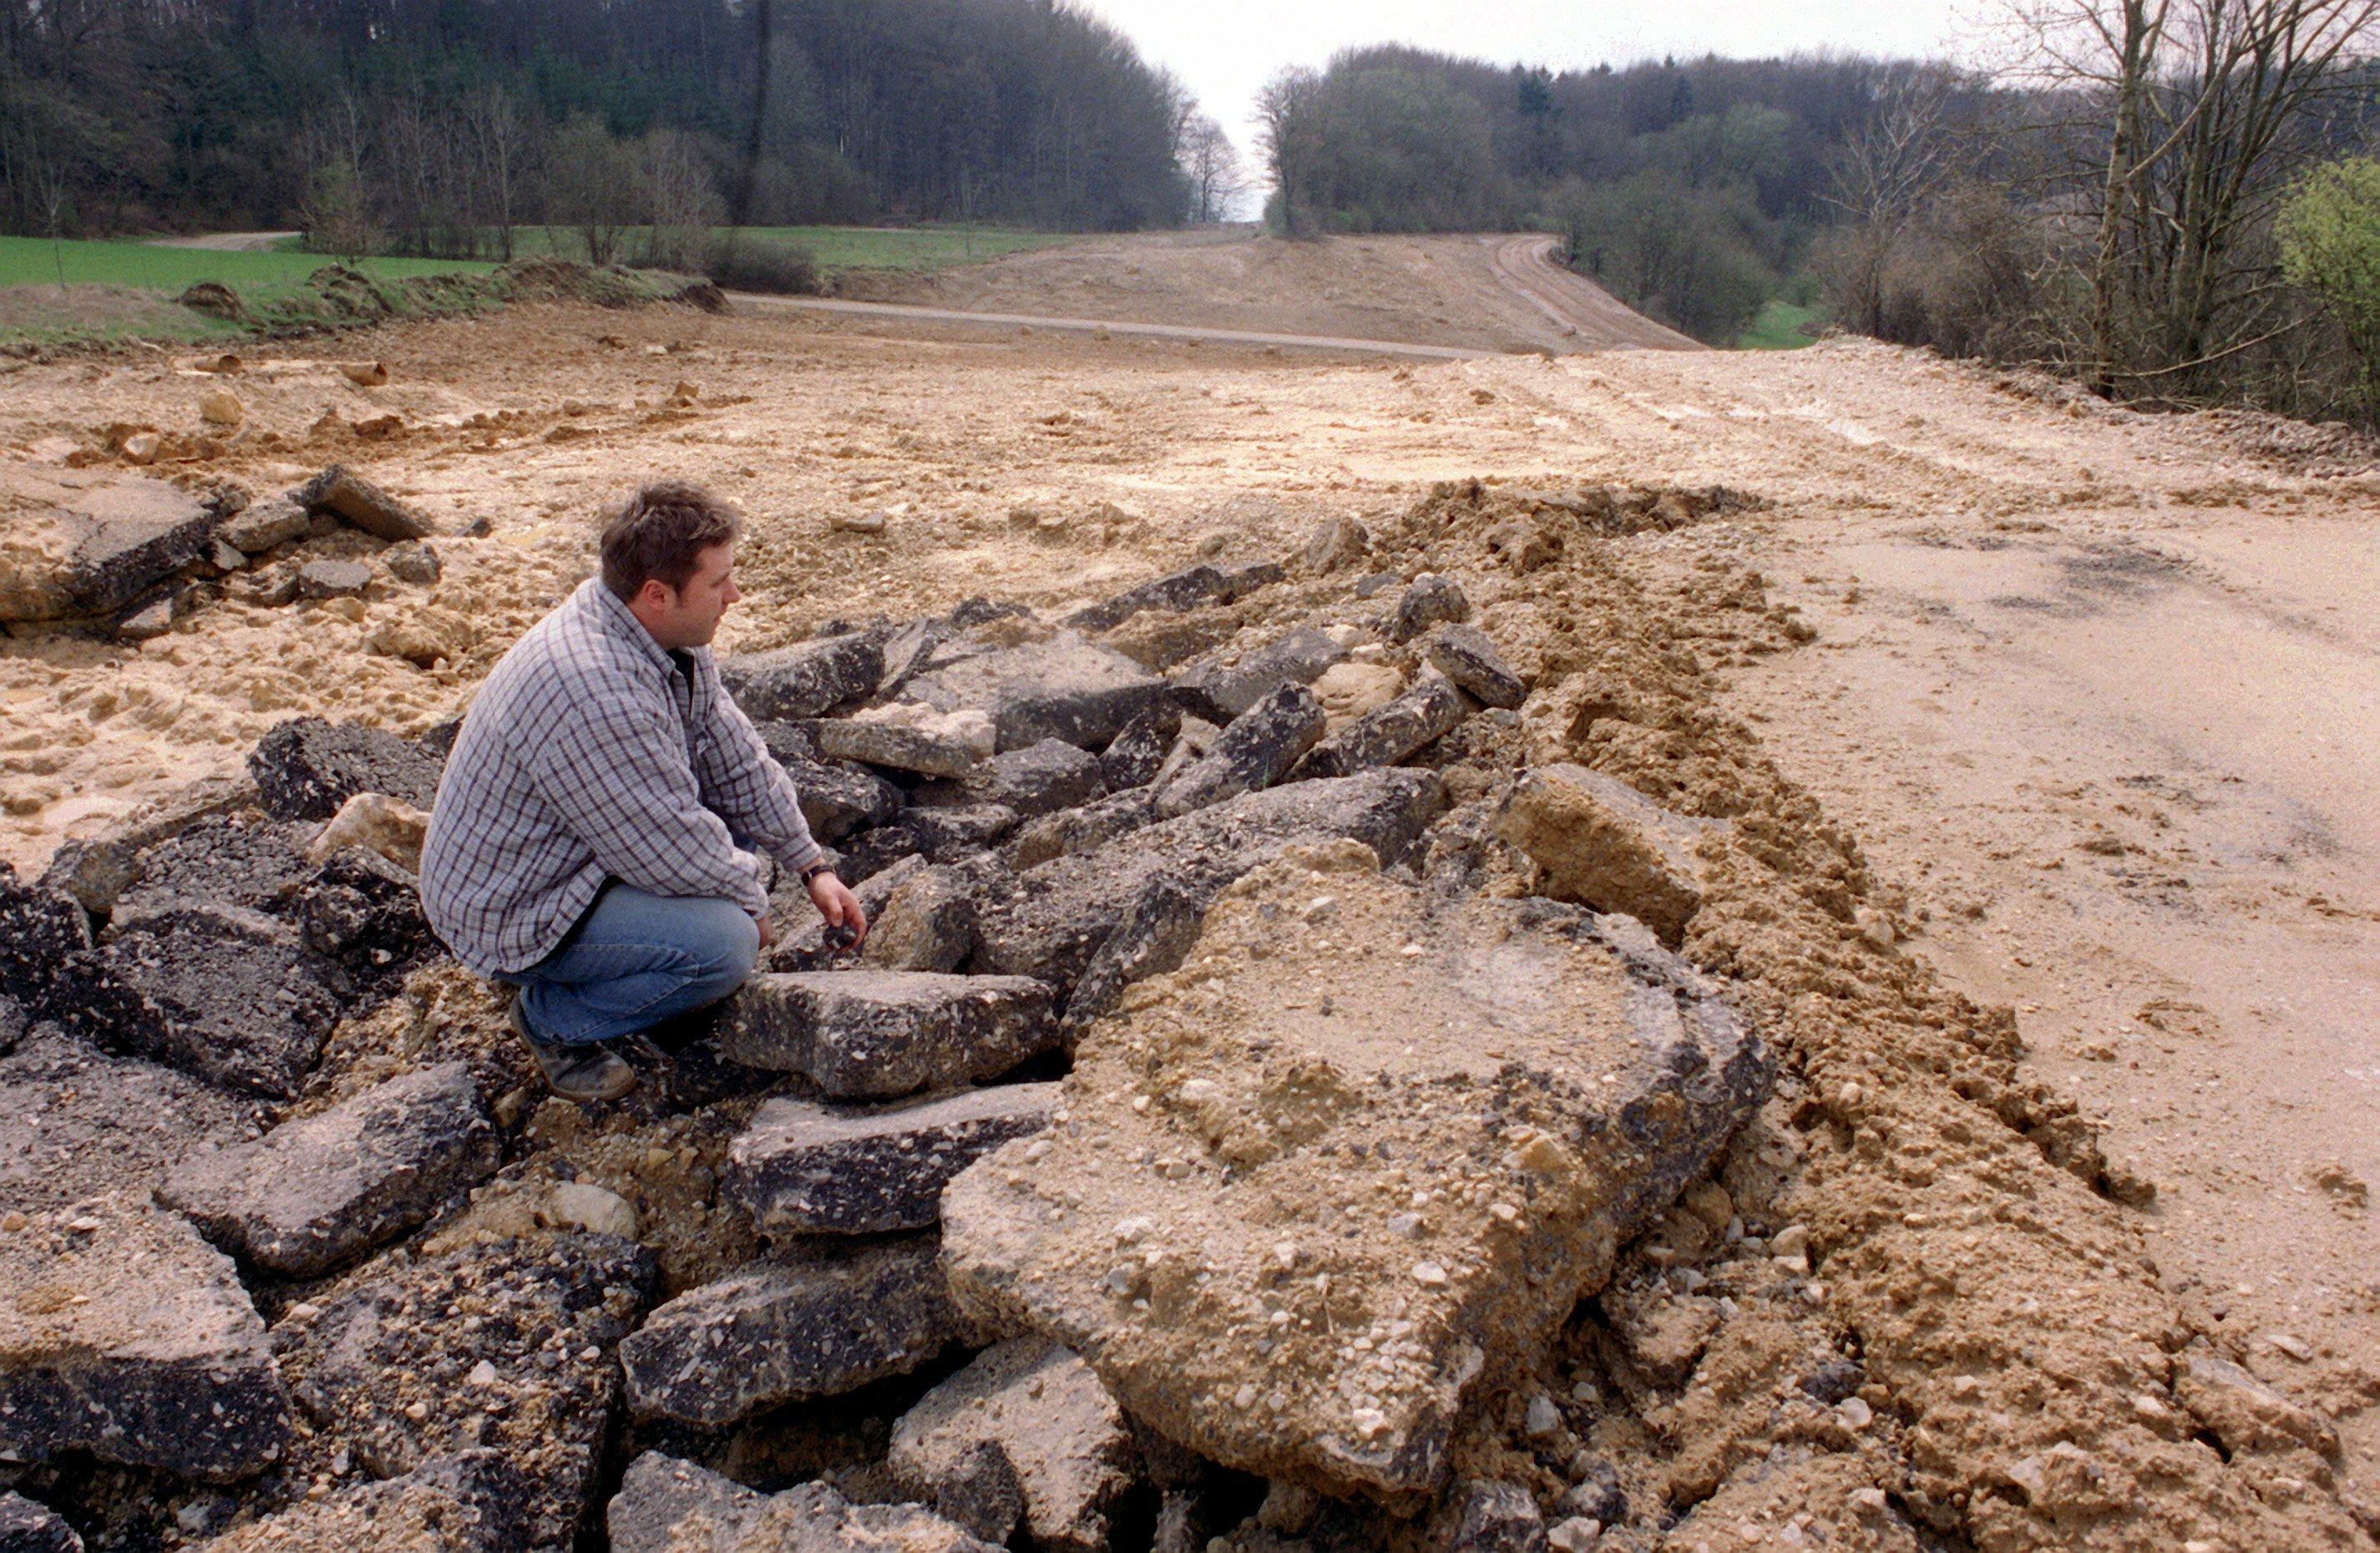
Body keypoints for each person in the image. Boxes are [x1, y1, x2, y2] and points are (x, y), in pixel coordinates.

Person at [419, 479, 866, 1102]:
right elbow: (667, 846)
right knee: (724, 947)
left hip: (572, 855)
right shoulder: (594, 689)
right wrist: (752, 907)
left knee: (726, 848)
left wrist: (810, 864)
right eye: (719, 584)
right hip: (511, 908)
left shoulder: (658, 633)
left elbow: (734, 755)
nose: (734, 595)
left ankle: (628, 967)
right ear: (658, 594)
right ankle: (550, 1019)